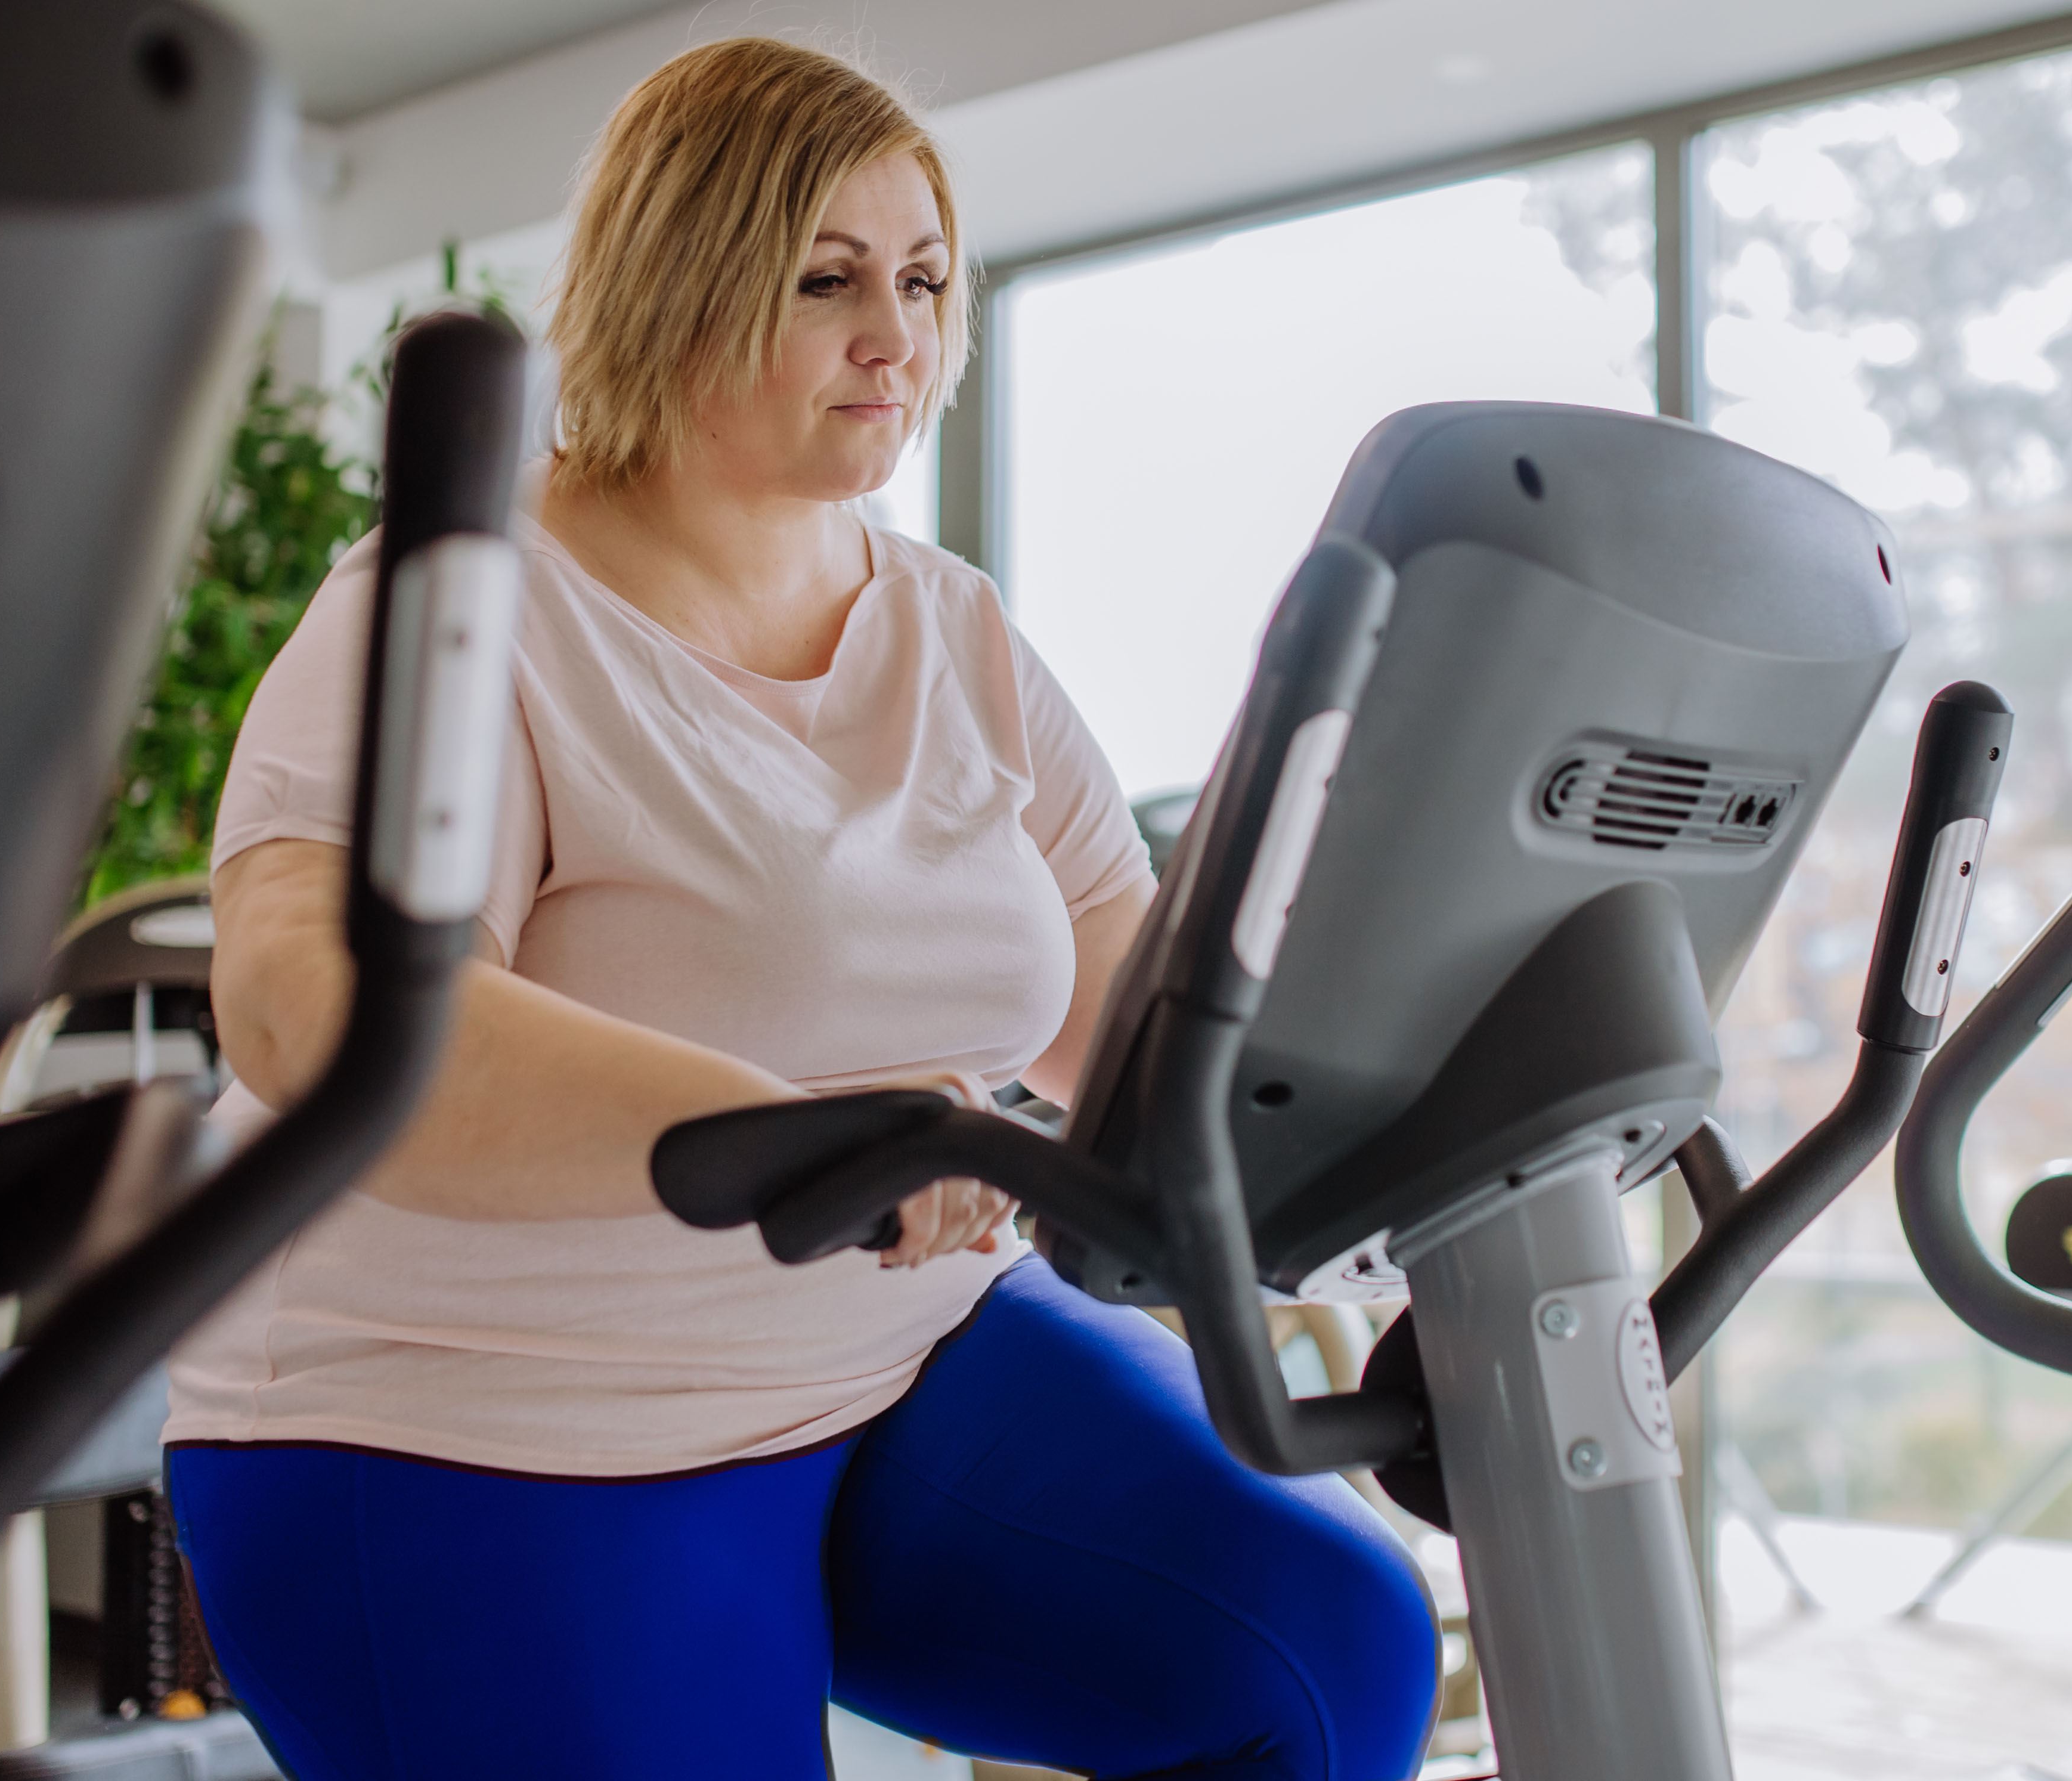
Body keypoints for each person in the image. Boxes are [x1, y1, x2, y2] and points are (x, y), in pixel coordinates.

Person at [160, 36, 1438, 1780]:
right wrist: (812, 1137)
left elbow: (1138, 1014)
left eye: (922, 280)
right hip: (475, 1415)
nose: (896, 334)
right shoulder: (458, 608)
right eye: (827, 276)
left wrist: (1414, 1125)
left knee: (1322, 1652)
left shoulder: (954, 627)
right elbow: (320, 1012)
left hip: (900, 1359)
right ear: (675, 275)